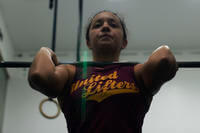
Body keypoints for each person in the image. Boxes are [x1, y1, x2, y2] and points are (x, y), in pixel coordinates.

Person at [28, 10, 178, 133]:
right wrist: (46, 51)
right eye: (98, 25)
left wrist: (48, 53)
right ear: (88, 42)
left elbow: (164, 59)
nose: (105, 27)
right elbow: (39, 75)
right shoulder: (71, 72)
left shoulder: (136, 72)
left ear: (124, 42)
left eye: (113, 25)